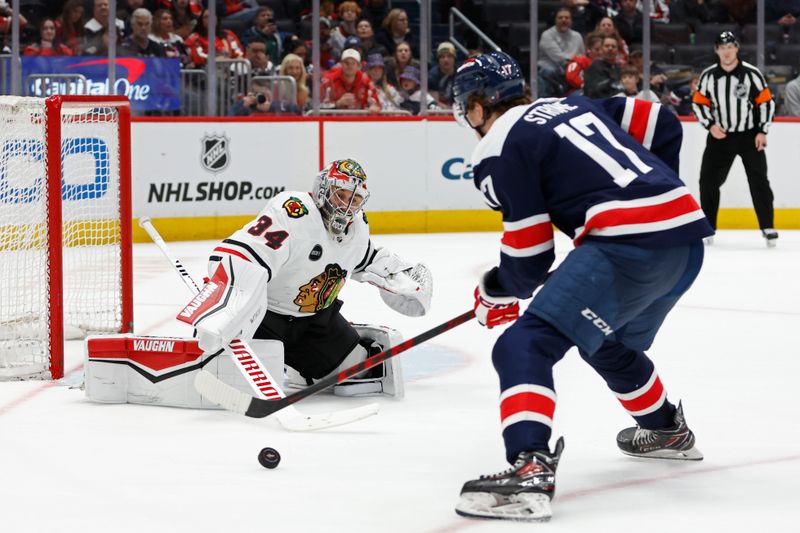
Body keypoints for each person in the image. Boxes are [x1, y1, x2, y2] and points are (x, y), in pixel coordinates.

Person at [450, 50, 712, 522]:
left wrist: (497, 289)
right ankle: (665, 430)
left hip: (626, 248)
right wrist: (658, 191)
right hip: (685, 241)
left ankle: (529, 467)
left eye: (466, 105)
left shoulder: (495, 147)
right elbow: (662, 121)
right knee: (603, 341)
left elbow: (529, 262)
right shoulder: (574, 103)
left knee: (522, 345)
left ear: (479, 104)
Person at [180, 159, 432, 398]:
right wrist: (226, 310)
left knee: (357, 370)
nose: (346, 206)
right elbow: (242, 257)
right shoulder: (294, 214)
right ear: (322, 190)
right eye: (341, 195)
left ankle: (303, 369)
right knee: (232, 380)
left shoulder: (357, 228)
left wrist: (404, 279)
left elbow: (367, 259)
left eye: (354, 199)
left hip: (316, 322)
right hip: (265, 319)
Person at [692, 31, 778, 246]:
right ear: (716, 51)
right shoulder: (709, 75)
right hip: (720, 137)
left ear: (736, 49)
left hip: (749, 135)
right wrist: (710, 125)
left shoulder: (751, 73)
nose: (727, 52)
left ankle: (767, 226)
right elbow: (699, 103)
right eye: (722, 48)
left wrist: (762, 130)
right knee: (708, 181)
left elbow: (765, 102)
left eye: (730, 47)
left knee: (759, 181)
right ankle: (708, 227)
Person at [428, 41, 457, 108]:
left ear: (454, 58)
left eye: (449, 56)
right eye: (442, 57)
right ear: (438, 60)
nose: (446, 60)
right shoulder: (432, 76)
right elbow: (435, 102)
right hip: (440, 111)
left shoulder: (460, 74)